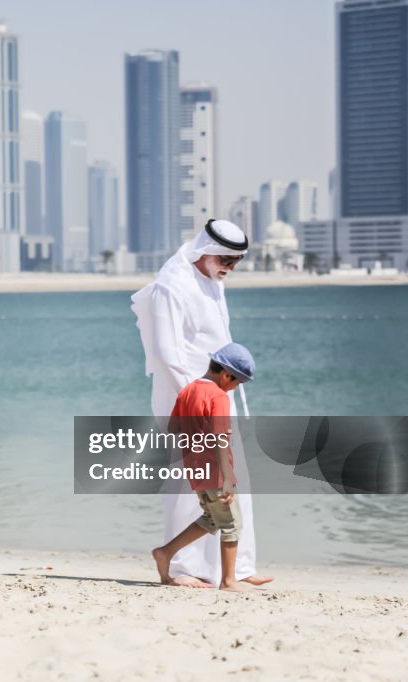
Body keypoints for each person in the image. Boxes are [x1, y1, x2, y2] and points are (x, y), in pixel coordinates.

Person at [131, 218, 272, 588]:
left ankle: (237, 568)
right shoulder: (171, 285)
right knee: (188, 483)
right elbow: (166, 354)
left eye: (236, 260)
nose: (230, 266)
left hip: (218, 394)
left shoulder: (212, 282)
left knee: (231, 476)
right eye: (225, 257)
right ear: (206, 251)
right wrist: (194, 401)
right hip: (187, 400)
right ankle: (182, 568)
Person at [152, 343, 256, 593]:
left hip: (196, 470)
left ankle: (165, 553)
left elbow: (174, 429)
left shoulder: (188, 391)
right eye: (238, 382)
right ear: (226, 375)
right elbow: (221, 438)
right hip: (217, 472)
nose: (235, 387)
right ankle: (229, 581)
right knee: (232, 524)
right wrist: (228, 478)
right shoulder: (218, 396)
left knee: (212, 519)